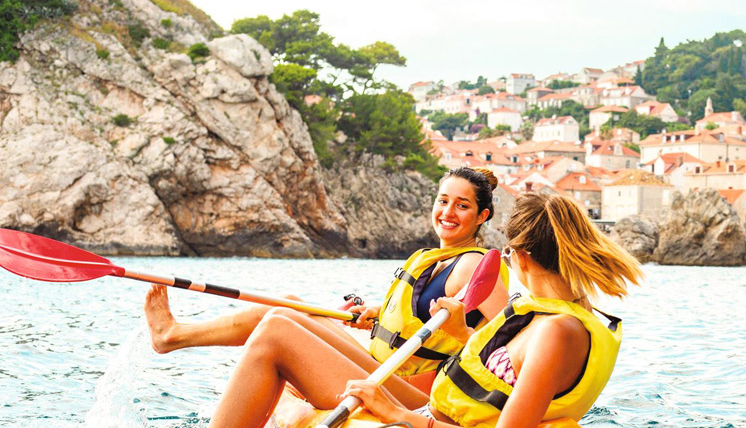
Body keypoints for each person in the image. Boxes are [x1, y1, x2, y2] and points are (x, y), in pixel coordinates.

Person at [108, 190, 642, 428]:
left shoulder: (558, 332)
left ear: (519, 254)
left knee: (274, 335)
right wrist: (457, 334)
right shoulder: (543, 311)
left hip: (431, 422)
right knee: (285, 316)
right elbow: (494, 377)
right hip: (434, 407)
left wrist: (397, 414)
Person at [141, 166, 509, 387]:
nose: (448, 211)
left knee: (284, 322)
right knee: (295, 306)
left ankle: (173, 336)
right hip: (381, 361)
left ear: (483, 216)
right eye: (443, 201)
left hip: (404, 383)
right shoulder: (436, 257)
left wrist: (463, 334)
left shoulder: (478, 266)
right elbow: (423, 309)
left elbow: (502, 349)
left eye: (463, 206)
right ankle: (174, 336)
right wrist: (378, 313)